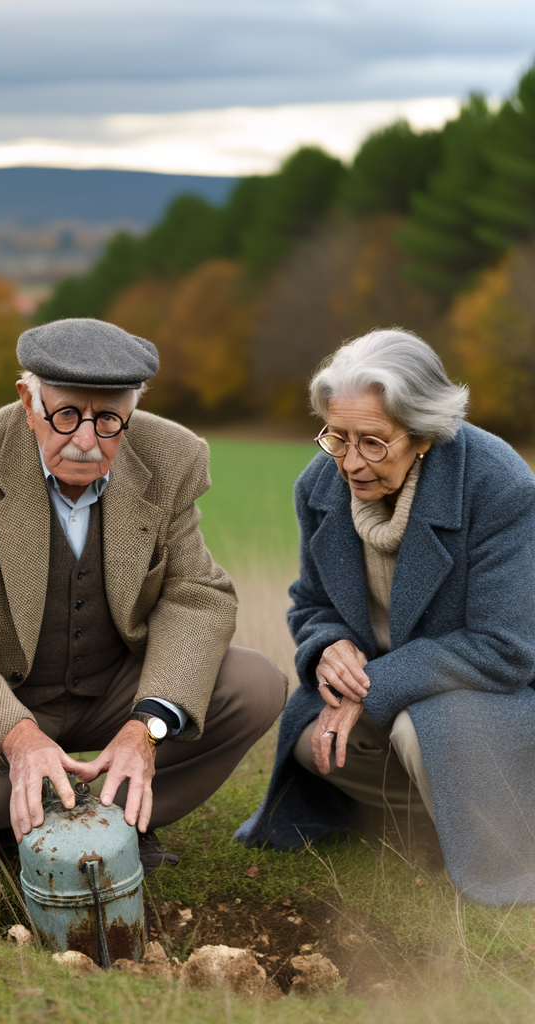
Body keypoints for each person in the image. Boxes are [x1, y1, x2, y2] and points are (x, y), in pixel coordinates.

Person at [0, 318, 286, 867]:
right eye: (66, 415)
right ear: (28, 399)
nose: (87, 441)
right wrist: (17, 738)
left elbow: (196, 595)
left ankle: (119, 822)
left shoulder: (175, 458)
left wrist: (146, 727)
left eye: (109, 419)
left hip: (111, 689)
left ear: (131, 413)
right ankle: (1, 826)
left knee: (255, 685)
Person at [236, 328, 535, 906]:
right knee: (308, 737)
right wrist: (328, 648)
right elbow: (312, 603)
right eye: (336, 437)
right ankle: (438, 823)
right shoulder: (319, 485)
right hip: (395, 694)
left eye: (372, 442)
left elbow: (507, 648)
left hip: (499, 697)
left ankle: (500, 833)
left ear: (422, 433)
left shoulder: (500, 486)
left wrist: (370, 688)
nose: (349, 462)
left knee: (419, 726)